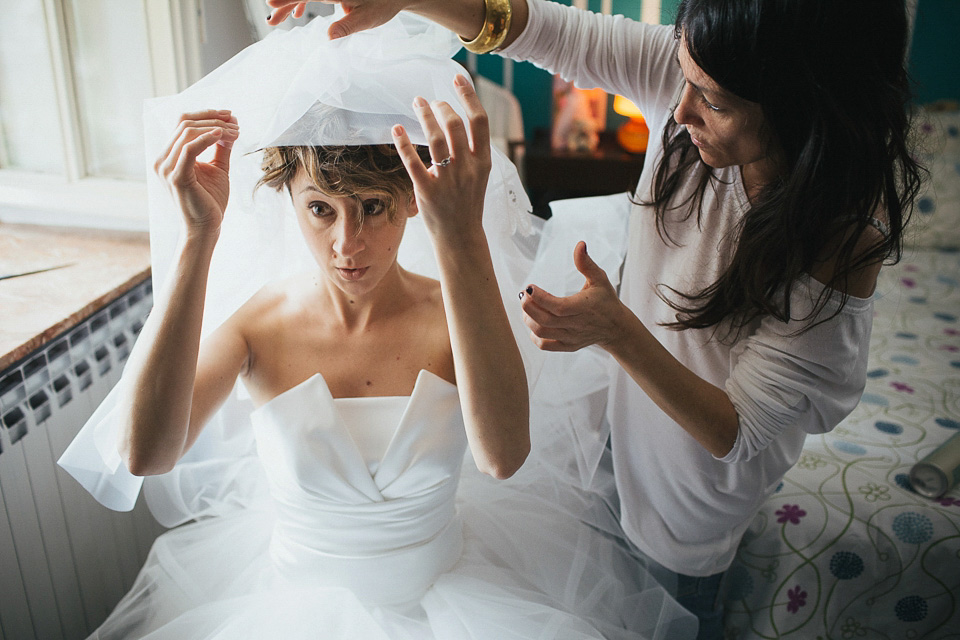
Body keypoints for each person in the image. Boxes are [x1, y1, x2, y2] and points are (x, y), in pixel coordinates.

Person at [266, 1, 923, 637]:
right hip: (612, 434)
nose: (679, 108)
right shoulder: (690, 77)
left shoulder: (838, 243)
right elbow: (542, 30)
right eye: (685, 80)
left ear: (804, 108)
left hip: (689, 499)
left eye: (715, 102)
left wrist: (616, 332)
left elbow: (739, 431)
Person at [58, 11, 696, 640]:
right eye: (318, 209)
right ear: (288, 201)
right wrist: (197, 238)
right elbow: (146, 454)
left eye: (371, 207)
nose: (346, 243)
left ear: (412, 198)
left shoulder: (458, 313)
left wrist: (463, 235)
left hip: (456, 608)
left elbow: (503, 458)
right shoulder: (256, 326)